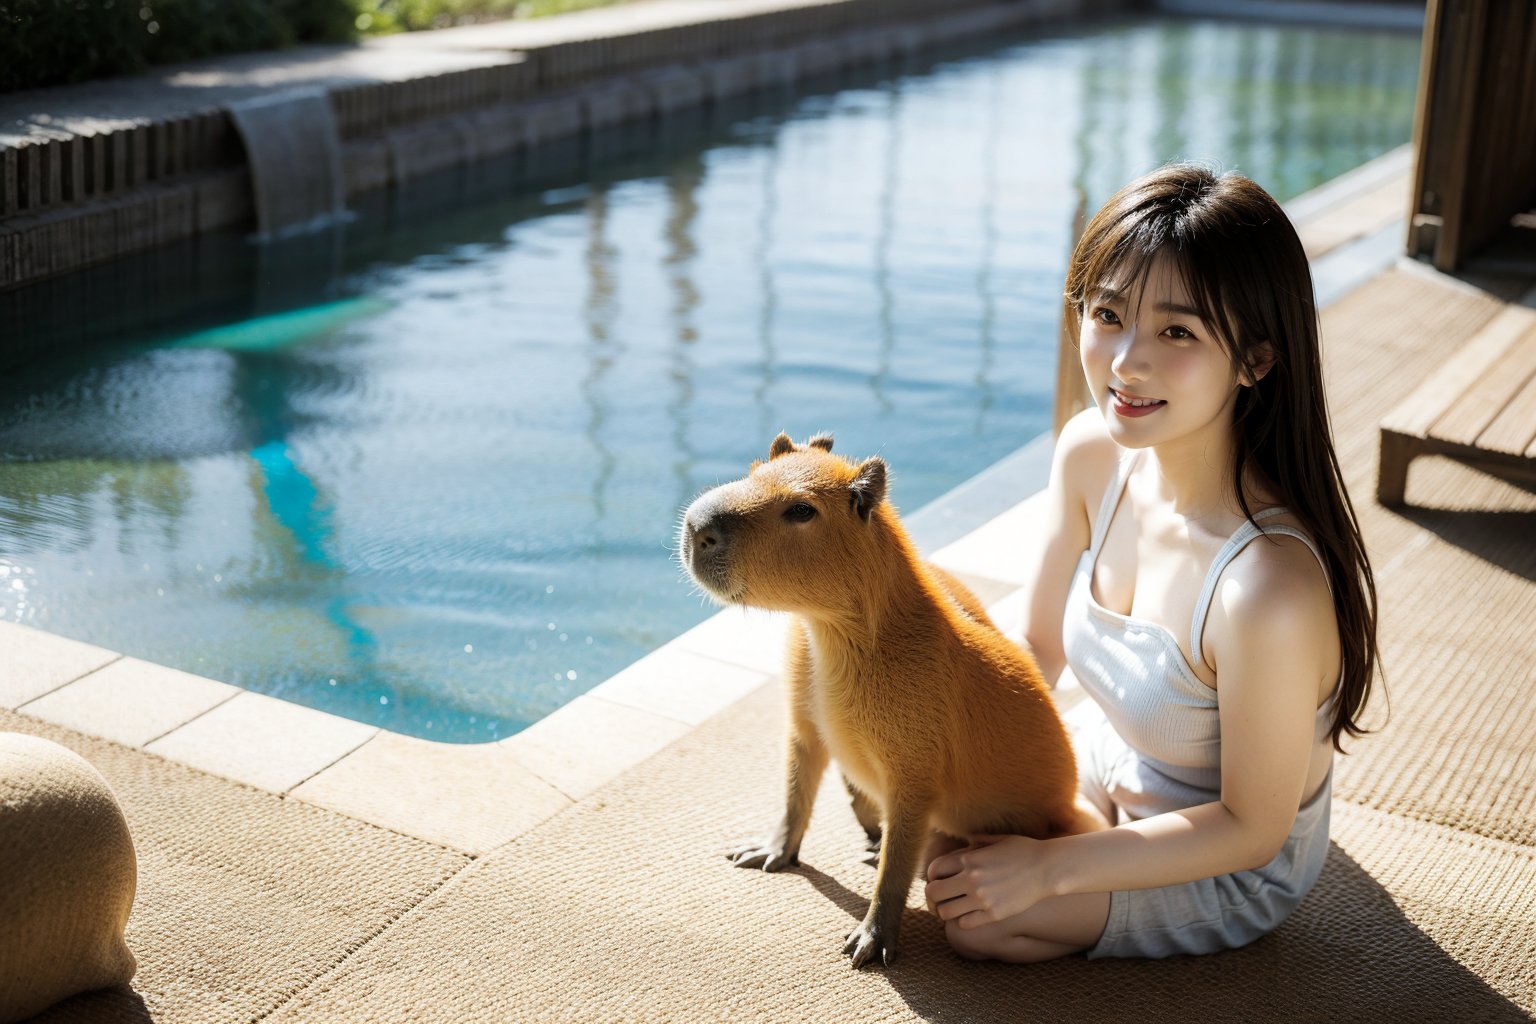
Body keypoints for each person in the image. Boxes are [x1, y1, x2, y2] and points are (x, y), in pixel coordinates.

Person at [923, 163, 1381, 961]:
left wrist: (1052, 867)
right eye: (1108, 314)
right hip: (1114, 752)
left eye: (1177, 332)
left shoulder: (1266, 589)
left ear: (1256, 359)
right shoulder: (1091, 455)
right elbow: (1035, 650)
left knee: (979, 921)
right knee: (940, 843)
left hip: (1229, 853)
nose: (1127, 363)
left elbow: (1250, 826)